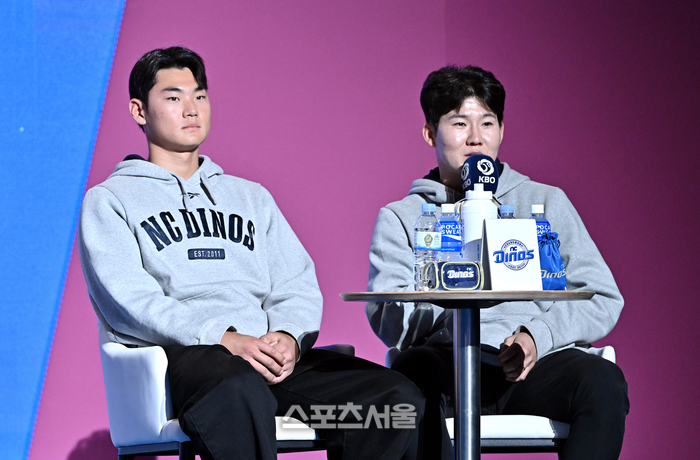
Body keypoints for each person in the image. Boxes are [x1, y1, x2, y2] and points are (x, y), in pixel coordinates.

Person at [78, 46, 423, 460]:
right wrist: (224, 338)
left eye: (200, 96)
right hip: (188, 362)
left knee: (393, 400)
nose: (191, 109)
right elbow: (131, 302)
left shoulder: (250, 197)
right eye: (173, 97)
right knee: (236, 389)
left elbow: (295, 282)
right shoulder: (111, 200)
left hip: (268, 361)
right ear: (139, 111)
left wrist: (289, 338)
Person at [365, 65, 629, 460]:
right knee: (408, 377)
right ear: (430, 133)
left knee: (602, 381)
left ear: (502, 130)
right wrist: (447, 305)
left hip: (534, 366)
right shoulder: (402, 216)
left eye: (487, 123)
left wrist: (537, 336)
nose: (475, 137)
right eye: (459, 123)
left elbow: (602, 297)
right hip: (445, 368)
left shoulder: (545, 201)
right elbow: (389, 320)